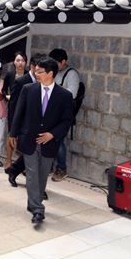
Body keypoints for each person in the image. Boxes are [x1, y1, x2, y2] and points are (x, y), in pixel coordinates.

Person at [9, 57, 74, 224]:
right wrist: (13, 134)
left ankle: (33, 203)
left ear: (50, 74)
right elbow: (19, 113)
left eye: (40, 71)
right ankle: (38, 209)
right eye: (35, 71)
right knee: (32, 174)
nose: (36, 74)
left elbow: (67, 120)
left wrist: (52, 134)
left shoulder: (64, 95)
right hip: (28, 139)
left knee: (42, 174)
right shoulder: (28, 89)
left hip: (49, 142)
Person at [5, 53, 44, 188]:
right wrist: (13, 130)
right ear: (33, 66)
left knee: (35, 152)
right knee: (31, 153)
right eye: (39, 68)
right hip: (25, 125)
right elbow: (14, 106)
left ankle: (14, 170)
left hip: (40, 125)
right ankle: (36, 188)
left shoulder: (45, 82)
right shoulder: (22, 82)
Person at [48, 48, 80, 182]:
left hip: (63, 113)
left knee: (58, 139)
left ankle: (61, 168)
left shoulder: (71, 74)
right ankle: (47, 165)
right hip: (50, 110)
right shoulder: (54, 72)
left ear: (64, 62)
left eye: (57, 63)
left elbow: (71, 94)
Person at [3, 51, 28, 169]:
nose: (20, 63)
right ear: (14, 62)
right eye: (18, 60)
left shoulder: (29, 76)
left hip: (26, 108)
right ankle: (8, 160)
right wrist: (6, 96)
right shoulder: (10, 74)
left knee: (24, 134)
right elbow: (3, 90)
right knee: (11, 133)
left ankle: (22, 164)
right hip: (13, 107)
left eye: (22, 61)